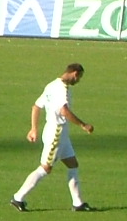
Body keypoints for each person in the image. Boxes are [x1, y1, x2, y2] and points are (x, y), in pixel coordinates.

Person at [10, 64, 94, 212]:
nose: (78, 80)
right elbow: (64, 111)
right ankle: (18, 198)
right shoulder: (62, 89)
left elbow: (36, 106)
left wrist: (34, 129)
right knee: (45, 168)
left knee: (73, 164)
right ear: (75, 73)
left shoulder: (51, 85)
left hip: (61, 134)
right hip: (56, 134)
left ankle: (78, 203)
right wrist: (83, 125)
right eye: (79, 77)